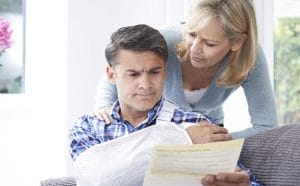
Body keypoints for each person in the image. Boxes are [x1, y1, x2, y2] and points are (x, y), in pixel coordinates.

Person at [69, 24, 269, 186]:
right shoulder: (89, 128)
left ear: (165, 70)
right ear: (112, 75)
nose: (145, 85)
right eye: (133, 74)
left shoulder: (199, 125)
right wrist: (182, 139)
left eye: (154, 72)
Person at [93, 0, 278, 139]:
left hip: (208, 130)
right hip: (160, 128)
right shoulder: (166, 40)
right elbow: (119, 70)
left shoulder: (250, 59)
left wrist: (220, 141)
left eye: (210, 43)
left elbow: (267, 127)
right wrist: (104, 107)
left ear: (237, 42)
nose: (195, 49)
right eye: (192, 34)